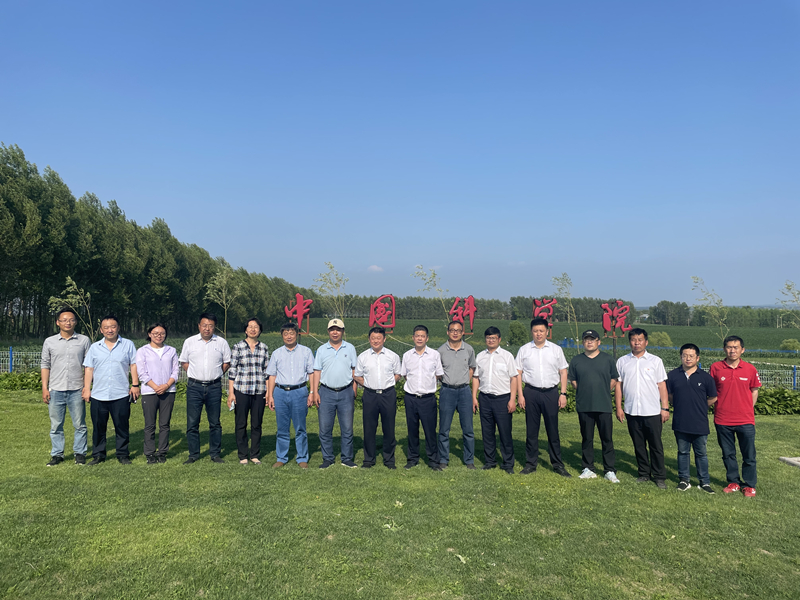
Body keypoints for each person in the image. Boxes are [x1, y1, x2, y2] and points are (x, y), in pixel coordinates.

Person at [515, 317, 571, 477]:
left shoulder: (555, 350)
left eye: (541, 331)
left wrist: (563, 393)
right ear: (531, 332)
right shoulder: (524, 350)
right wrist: (520, 395)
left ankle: (557, 464)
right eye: (535, 331)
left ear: (547, 332)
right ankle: (530, 464)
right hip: (531, 392)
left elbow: (563, 372)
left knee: (553, 430)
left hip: (551, 393)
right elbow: (518, 373)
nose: (538, 334)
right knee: (531, 430)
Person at [614, 328, 669, 489]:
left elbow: (662, 385)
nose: (636, 343)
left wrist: (665, 407)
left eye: (640, 340)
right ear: (629, 342)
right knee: (638, 445)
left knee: (655, 445)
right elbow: (619, 386)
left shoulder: (655, 361)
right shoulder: (622, 361)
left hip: (652, 411)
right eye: (633, 340)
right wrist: (619, 407)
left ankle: (659, 476)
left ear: (646, 342)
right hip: (632, 410)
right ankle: (644, 473)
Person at [82, 315, 139, 465]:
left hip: (120, 394)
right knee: (98, 427)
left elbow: (133, 364)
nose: (110, 330)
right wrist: (86, 388)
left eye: (113, 327)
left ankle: (123, 454)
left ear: (118, 328)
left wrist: (135, 385)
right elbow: (89, 368)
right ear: (101, 330)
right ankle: (98, 455)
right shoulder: (95, 347)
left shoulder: (128, 344)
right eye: (106, 327)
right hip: (98, 394)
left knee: (122, 426)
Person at [709, 335, 761, 497]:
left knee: (749, 455)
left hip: (745, 420)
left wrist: (747, 408)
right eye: (729, 347)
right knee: (728, 454)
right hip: (722, 419)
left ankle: (749, 485)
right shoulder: (716, 368)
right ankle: (733, 482)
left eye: (736, 347)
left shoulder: (750, 369)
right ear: (724, 349)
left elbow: (754, 390)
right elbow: (710, 391)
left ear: (742, 350)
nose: (732, 350)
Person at [41, 308, 92, 466]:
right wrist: (44, 388)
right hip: (55, 389)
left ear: (75, 322)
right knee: (56, 425)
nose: (68, 323)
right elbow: (45, 365)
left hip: (77, 389)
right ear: (58, 322)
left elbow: (88, 366)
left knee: (80, 424)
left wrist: (87, 387)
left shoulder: (84, 340)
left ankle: (80, 453)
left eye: (71, 320)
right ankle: (57, 454)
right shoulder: (49, 342)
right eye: (64, 320)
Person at [568, 329, 620, 483]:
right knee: (587, 438)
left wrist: (602, 390)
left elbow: (613, 379)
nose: (589, 342)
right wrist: (586, 390)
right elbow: (574, 381)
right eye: (586, 339)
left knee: (607, 439)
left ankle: (609, 470)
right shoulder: (576, 360)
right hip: (585, 405)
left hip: (603, 405)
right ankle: (588, 468)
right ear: (583, 342)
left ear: (599, 342)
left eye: (592, 339)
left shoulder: (608, 359)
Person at [179, 312, 231, 464]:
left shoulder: (221, 343)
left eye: (211, 326)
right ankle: (193, 454)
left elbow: (227, 362)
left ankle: (215, 453)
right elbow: (184, 362)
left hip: (214, 387)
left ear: (214, 327)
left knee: (215, 422)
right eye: (204, 325)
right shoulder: (189, 342)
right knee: (192, 422)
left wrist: (216, 374)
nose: (207, 328)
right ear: (199, 326)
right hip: (194, 386)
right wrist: (194, 374)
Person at [666, 344, 718, 493]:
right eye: (685, 355)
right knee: (683, 452)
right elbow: (669, 395)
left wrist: (700, 406)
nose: (688, 358)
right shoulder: (673, 375)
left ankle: (704, 482)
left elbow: (713, 397)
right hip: (680, 421)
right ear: (680, 357)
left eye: (691, 356)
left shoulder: (706, 377)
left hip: (699, 422)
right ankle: (684, 480)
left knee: (701, 453)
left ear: (697, 358)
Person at [266, 322, 314, 468]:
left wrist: (312, 392)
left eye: (291, 333)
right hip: (280, 392)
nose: (289, 336)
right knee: (282, 428)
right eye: (285, 334)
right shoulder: (277, 353)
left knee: (300, 427)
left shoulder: (306, 352)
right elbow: (272, 375)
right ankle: (281, 457)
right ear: (282, 336)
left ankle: (302, 458)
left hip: (299, 392)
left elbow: (311, 373)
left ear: (296, 334)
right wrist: (270, 395)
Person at [312, 319, 358, 469]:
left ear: (343, 331)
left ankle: (347, 458)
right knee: (325, 429)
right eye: (332, 329)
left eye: (338, 329)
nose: (335, 332)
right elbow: (317, 371)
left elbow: (354, 369)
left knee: (347, 428)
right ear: (328, 331)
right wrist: (315, 391)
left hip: (346, 392)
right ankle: (328, 458)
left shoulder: (350, 348)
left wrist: (354, 388)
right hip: (326, 392)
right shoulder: (321, 350)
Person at [354, 326, 401, 469]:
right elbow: (357, 376)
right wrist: (368, 384)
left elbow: (398, 374)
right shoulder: (363, 357)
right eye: (373, 338)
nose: (376, 341)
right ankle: (369, 459)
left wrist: (388, 383)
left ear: (384, 339)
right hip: (370, 395)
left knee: (389, 427)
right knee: (369, 427)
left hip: (388, 394)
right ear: (369, 339)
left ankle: (389, 459)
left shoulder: (393, 356)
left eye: (378, 338)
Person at [473, 326, 519, 474]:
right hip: (485, 398)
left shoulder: (507, 356)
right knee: (487, 432)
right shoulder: (480, 356)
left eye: (493, 338)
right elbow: (476, 378)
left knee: (505, 432)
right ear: (485, 339)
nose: (491, 340)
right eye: (488, 338)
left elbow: (514, 378)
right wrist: (474, 397)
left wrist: (512, 399)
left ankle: (508, 463)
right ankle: (490, 461)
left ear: (499, 339)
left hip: (502, 399)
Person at [400, 325, 444, 471]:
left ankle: (433, 460)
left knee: (430, 431)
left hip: (427, 399)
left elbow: (438, 374)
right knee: (412, 430)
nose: (420, 338)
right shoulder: (407, 355)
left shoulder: (434, 355)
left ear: (427, 338)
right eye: (417, 336)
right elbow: (405, 375)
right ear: (413, 338)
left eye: (422, 336)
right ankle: (412, 458)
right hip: (411, 398)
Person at [227, 317, 269, 465]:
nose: (253, 329)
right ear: (245, 330)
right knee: (241, 423)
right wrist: (231, 393)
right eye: (250, 326)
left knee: (256, 424)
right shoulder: (238, 347)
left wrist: (268, 392)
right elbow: (232, 370)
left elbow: (266, 371)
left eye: (256, 327)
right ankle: (243, 455)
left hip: (259, 390)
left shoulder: (264, 348)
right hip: (241, 390)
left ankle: (254, 454)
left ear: (260, 330)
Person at [136, 323, 179, 464]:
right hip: (149, 391)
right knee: (150, 424)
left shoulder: (171, 350)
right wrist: (155, 387)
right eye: (155, 333)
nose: (159, 336)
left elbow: (176, 371)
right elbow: (142, 372)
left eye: (162, 333)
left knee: (164, 424)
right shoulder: (142, 351)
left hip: (168, 391)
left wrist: (166, 385)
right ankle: (149, 453)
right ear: (149, 334)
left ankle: (162, 452)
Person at [436, 321, 478, 470]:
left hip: (464, 391)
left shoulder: (469, 349)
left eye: (458, 331)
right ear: (447, 332)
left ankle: (469, 460)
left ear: (462, 333)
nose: (455, 333)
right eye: (452, 330)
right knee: (444, 428)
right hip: (447, 391)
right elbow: (438, 372)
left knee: (468, 429)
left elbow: (472, 368)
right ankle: (443, 459)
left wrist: (465, 381)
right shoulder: (441, 351)